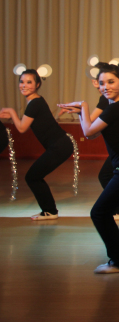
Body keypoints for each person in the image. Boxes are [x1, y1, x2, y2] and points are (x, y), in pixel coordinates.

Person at [58, 63, 119, 273]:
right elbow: (92, 132)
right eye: (101, 83)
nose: (105, 87)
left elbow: (88, 132)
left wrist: (83, 105)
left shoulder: (117, 107)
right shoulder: (116, 108)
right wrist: (81, 112)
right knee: (102, 212)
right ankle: (118, 260)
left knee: (99, 213)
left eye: (111, 82)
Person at [1, 69, 74, 220]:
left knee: (32, 177)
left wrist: (12, 112)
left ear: (37, 84)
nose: (24, 85)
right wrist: (12, 115)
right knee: (34, 177)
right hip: (60, 145)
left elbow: (22, 128)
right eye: (21, 82)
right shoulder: (36, 101)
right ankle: (50, 211)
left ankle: (50, 211)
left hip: (59, 146)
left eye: (29, 82)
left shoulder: (34, 103)